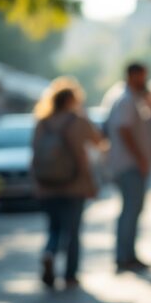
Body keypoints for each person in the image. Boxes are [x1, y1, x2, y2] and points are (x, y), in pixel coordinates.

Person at [31, 77, 103, 288]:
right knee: (72, 231)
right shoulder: (78, 120)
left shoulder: (42, 122)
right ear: (72, 100)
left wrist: (36, 182)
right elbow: (98, 143)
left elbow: (35, 155)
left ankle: (49, 253)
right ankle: (70, 275)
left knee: (53, 228)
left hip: (47, 185)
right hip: (75, 185)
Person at [106, 62, 151, 272]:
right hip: (129, 165)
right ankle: (125, 257)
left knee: (132, 210)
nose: (145, 81)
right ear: (133, 76)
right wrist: (140, 158)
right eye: (142, 77)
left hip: (128, 164)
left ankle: (127, 254)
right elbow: (123, 130)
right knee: (130, 210)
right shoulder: (126, 100)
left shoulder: (129, 97)